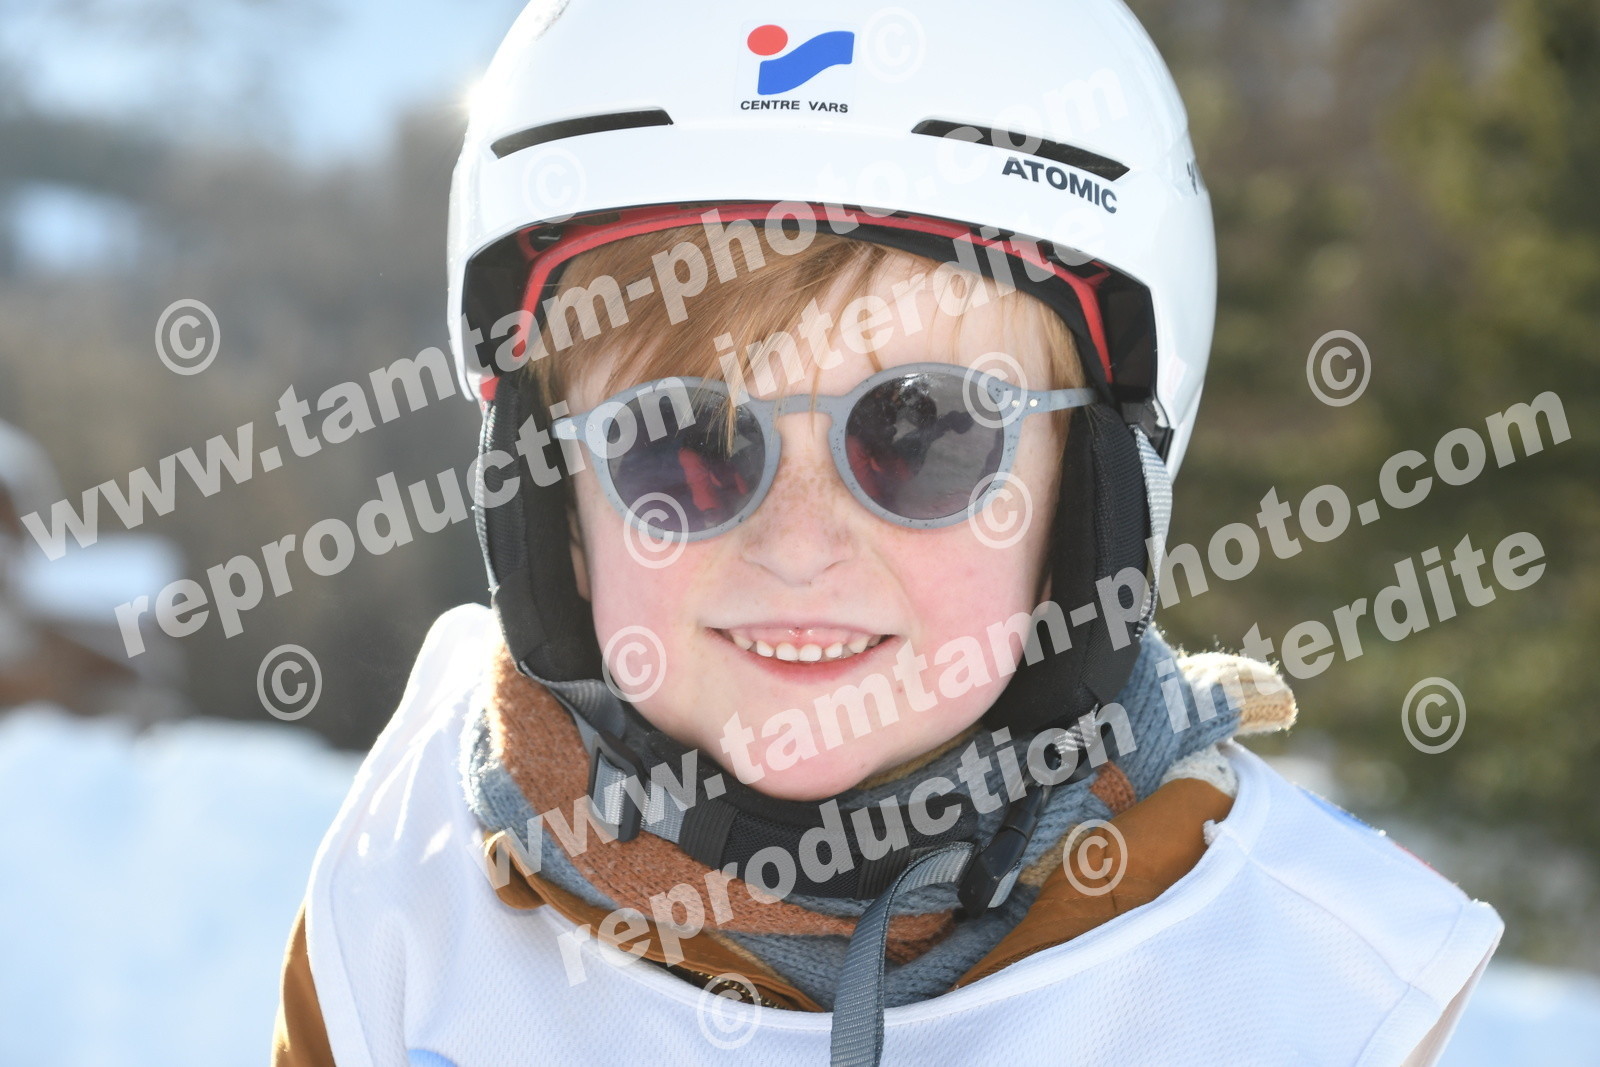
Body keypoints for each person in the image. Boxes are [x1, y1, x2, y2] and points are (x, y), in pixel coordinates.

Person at [273, 1, 1503, 1063]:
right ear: (557, 512)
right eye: (681, 442)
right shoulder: (411, 907)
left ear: (1086, 498)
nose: (797, 544)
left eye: (925, 434)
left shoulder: (1308, 997)